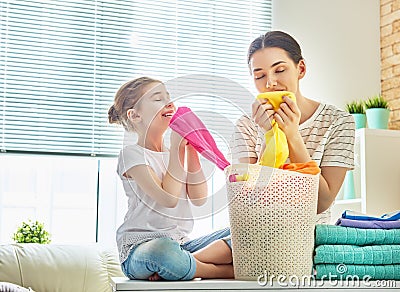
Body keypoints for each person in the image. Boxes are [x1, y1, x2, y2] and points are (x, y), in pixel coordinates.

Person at [108, 77, 233, 281]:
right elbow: (168, 198)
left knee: (245, 234)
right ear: (135, 115)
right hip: (140, 250)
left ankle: (181, 264)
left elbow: (199, 198)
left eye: (168, 97)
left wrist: (191, 150)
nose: (169, 103)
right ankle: (220, 271)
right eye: (158, 99)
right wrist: (176, 147)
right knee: (163, 251)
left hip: (181, 244)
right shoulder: (131, 155)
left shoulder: (173, 154)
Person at [232, 30, 355, 224]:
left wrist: (292, 135)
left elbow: (321, 203)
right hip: (256, 231)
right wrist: (269, 135)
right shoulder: (246, 125)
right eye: (259, 76)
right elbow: (249, 201)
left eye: (279, 70)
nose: (270, 83)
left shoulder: (338, 122)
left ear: (301, 69)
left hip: (307, 237)